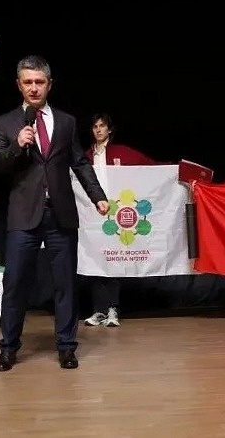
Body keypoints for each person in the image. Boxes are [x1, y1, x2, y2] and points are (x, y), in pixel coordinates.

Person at [0, 55, 109, 371]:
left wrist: (98, 197)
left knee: (65, 284)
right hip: (23, 216)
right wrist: (17, 145)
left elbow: (79, 162)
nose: (33, 88)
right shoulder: (6, 122)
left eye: (39, 82)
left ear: (49, 85)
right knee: (15, 284)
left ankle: (66, 347)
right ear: (18, 85)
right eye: (27, 82)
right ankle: (8, 348)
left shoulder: (66, 122)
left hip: (61, 214)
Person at [82, 113, 156, 328]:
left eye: (102, 126)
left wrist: (177, 172)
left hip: (116, 213)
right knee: (95, 262)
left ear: (110, 129)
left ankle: (113, 309)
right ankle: (99, 310)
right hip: (93, 214)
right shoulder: (86, 156)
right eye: (95, 126)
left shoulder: (122, 152)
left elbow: (151, 167)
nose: (98, 130)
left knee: (114, 260)